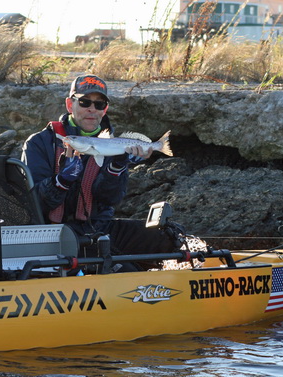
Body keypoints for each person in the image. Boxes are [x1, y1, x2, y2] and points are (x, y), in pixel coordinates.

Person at [21, 74, 181, 271]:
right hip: (56, 235)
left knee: (167, 237)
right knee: (125, 269)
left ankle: (162, 278)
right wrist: (61, 181)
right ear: (70, 105)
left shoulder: (113, 145)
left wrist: (116, 169)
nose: (92, 109)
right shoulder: (39, 143)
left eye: (99, 104)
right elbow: (33, 204)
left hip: (99, 228)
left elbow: (111, 199)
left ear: (105, 110)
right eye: (84, 102)